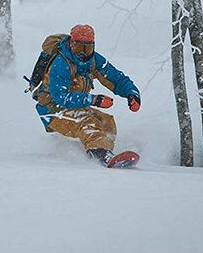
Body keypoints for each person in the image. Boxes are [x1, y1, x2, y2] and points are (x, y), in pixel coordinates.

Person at [32, 24, 141, 166]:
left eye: (87, 49)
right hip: (53, 110)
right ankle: (101, 155)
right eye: (78, 48)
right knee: (89, 123)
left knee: (106, 122)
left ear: (93, 46)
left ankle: (105, 152)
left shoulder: (94, 61)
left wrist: (131, 93)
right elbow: (61, 96)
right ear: (71, 44)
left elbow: (116, 78)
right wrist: (93, 99)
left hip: (76, 106)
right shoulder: (61, 63)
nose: (82, 54)